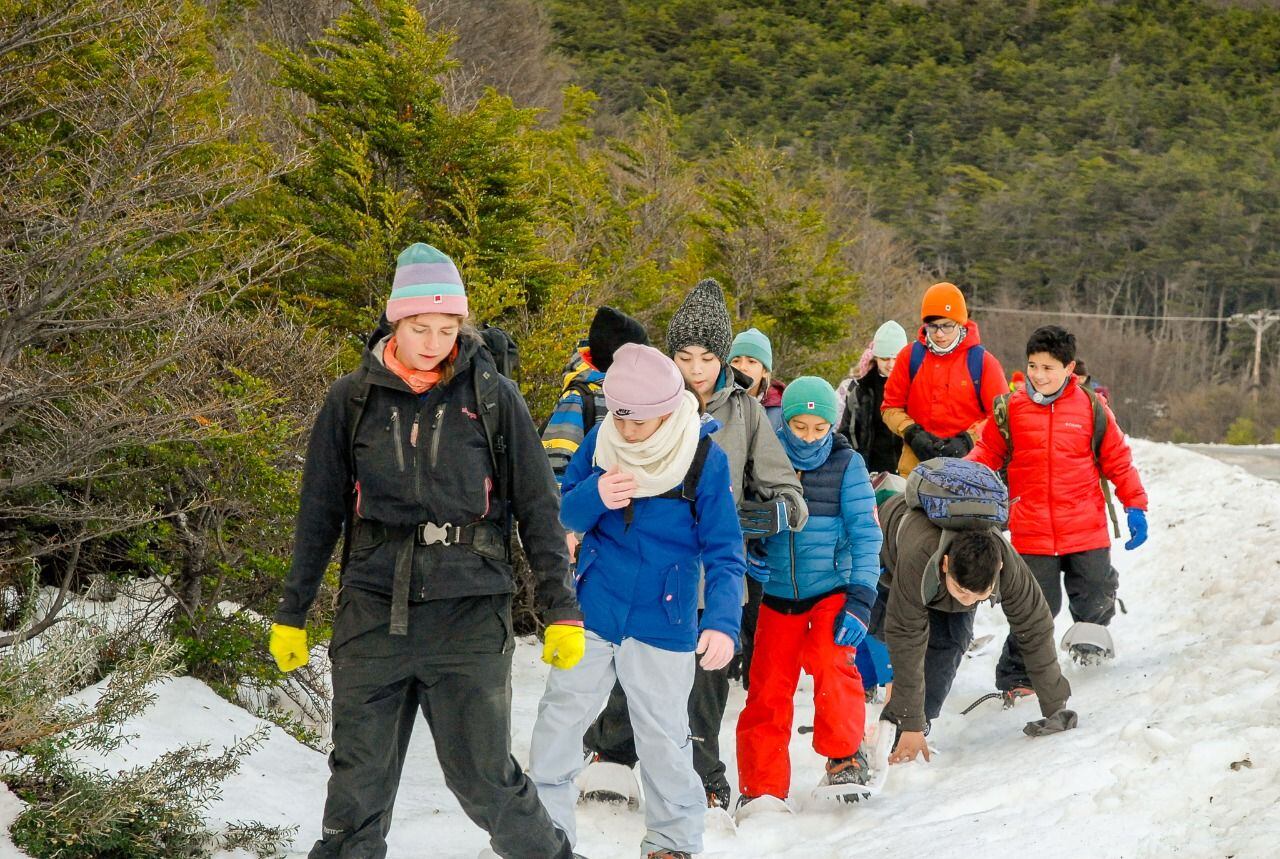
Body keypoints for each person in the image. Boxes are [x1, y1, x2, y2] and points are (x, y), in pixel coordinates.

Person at [267, 243, 584, 859]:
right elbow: (319, 512)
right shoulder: (352, 399)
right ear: (394, 321)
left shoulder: (493, 398)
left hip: (469, 610)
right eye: (420, 327)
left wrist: (561, 608)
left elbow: (540, 511)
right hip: (372, 608)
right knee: (357, 785)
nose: (434, 340)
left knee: (484, 780)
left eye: (446, 327)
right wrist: (292, 610)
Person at [583, 278, 807, 811]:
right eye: (684, 355)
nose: (696, 367)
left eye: (707, 356)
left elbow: (787, 490)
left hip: (709, 572)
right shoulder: (650, 402)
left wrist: (771, 511)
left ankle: (703, 771)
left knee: (705, 679)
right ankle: (612, 757)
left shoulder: (746, 411)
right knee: (628, 663)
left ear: (724, 357)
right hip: (645, 562)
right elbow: (605, 465)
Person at [528, 343, 746, 859]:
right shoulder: (602, 444)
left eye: (638, 422)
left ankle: (672, 842)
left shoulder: (702, 458)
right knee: (559, 722)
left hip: (663, 620)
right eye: (619, 418)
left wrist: (721, 621)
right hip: (595, 610)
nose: (626, 431)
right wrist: (595, 495)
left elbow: (725, 551)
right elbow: (566, 514)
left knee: (665, 739)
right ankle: (543, 838)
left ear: (668, 412)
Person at [967, 325, 1148, 693]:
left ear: (1069, 369)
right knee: (1035, 608)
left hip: (1085, 526)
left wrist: (1135, 506)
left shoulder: (1091, 409)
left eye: (1048, 368)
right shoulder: (1012, 410)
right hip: (1031, 529)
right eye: (1033, 366)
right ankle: (1017, 676)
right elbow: (985, 454)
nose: (1038, 375)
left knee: (1096, 593)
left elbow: (1117, 460)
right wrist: (958, 478)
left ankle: (1089, 651)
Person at [734, 378, 882, 811]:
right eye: (800, 427)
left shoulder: (846, 464)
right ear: (786, 422)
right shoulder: (765, 456)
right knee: (766, 688)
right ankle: (761, 786)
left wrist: (860, 600)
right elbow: (742, 514)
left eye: (820, 429)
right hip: (778, 595)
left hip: (831, 590)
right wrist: (751, 548)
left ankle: (845, 756)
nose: (810, 438)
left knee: (832, 659)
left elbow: (866, 537)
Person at [874, 487, 1076, 764]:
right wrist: (909, 721)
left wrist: (1055, 706)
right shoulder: (918, 554)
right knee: (884, 627)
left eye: (980, 596)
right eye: (963, 592)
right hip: (883, 556)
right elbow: (905, 638)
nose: (969, 601)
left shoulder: (1007, 565)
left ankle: (915, 724)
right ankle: (902, 724)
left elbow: (1035, 625)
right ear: (946, 565)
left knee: (952, 641)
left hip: (941, 577)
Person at [880, 282, 1008, 477]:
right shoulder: (909, 357)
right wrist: (912, 433)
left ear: (961, 323)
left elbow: (1001, 416)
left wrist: (968, 440)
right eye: (933, 326)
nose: (939, 334)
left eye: (947, 326)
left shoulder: (983, 362)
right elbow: (890, 407)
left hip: (970, 468)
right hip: (915, 469)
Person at [542, 306, 650, 484]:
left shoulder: (638, 395)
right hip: (587, 504)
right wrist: (567, 508)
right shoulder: (578, 398)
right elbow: (555, 466)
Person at [836, 320, 909, 474]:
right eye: (885, 359)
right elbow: (846, 433)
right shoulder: (861, 389)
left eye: (896, 358)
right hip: (868, 470)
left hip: (905, 471)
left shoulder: (914, 386)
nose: (891, 364)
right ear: (875, 358)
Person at [728, 327, 785, 429]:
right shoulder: (715, 401)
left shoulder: (778, 412)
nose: (742, 367)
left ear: (765, 371)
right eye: (736, 361)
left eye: (751, 361)